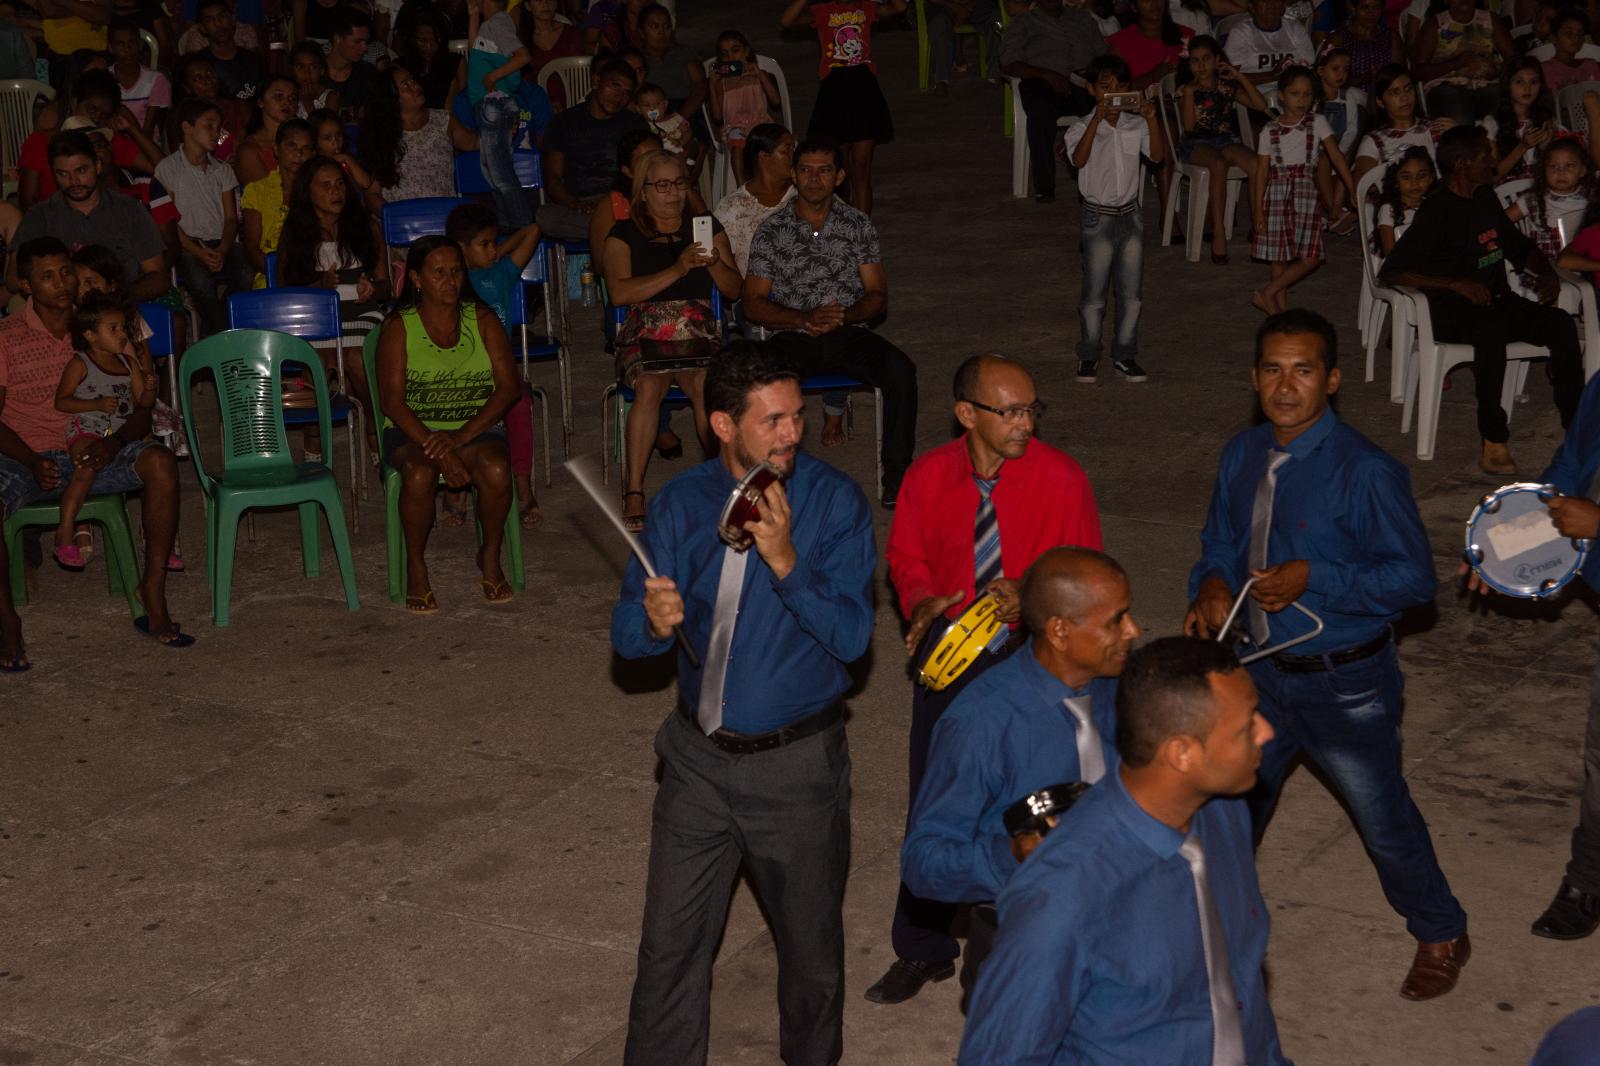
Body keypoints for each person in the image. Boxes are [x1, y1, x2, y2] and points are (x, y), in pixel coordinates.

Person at [1184, 309, 1471, 1001]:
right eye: (1273, 371)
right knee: (1223, 812)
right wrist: (1214, 584)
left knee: (1382, 817)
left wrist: (1318, 576)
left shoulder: (1367, 472)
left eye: (1303, 371)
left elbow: (1413, 582)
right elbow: (1219, 537)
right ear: (1255, 380)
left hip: (1346, 682)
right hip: (1255, 673)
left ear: (1332, 380)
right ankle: (1204, 933)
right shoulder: (1242, 453)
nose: (1287, 387)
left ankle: (1441, 929)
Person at [611, 340, 875, 1066]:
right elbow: (630, 637)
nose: (793, 433)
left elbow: (854, 638)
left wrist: (787, 561)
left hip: (796, 770)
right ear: (723, 426)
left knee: (810, 957)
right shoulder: (682, 502)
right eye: (773, 421)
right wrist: (652, 624)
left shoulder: (832, 503)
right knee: (668, 948)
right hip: (695, 763)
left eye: (796, 415)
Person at [867, 353, 1102, 1005]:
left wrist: (1031, 596)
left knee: (1028, 815)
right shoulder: (927, 476)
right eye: (1012, 411)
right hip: (951, 660)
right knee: (936, 807)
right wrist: (921, 602)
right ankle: (922, 948)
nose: (1027, 423)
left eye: (1033, 409)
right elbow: (905, 554)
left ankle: (1004, 965)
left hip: (1032, 667)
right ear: (967, 414)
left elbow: (1090, 579)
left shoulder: (1062, 479)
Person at [959, 637, 1288, 1064]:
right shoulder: (1061, 898)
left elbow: (1240, 988)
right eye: (1247, 725)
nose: (1268, 732)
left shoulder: (1226, 812)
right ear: (1182, 753)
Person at [900, 547, 1133, 1005]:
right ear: (1060, 630)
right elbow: (923, 862)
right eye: (1116, 621)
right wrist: (1012, 854)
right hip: (1023, 939)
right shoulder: (980, 724)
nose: (1133, 631)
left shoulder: (1115, 685)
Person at [0, 237, 191, 656]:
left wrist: (116, 442)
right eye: (46, 277)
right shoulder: (7, 336)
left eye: (66, 272)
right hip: (25, 456)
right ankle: (6, 620)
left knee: (159, 461)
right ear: (26, 286)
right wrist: (30, 460)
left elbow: (141, 406)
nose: (62, 283)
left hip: (98, 446)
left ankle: (152, 592)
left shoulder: (103, 326)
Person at [1381, 125, 1582, 474]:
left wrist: (1545, 273)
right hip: (1448, 308)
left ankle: (1578, 426)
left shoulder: (1485, 197)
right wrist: (1454, 284)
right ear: (1461, 165)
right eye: (1484, 156)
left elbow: (1518, 247)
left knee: (1561, 324)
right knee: (1490, 329)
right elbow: (1393, 271)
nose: (1492, 161)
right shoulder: (1437, 210)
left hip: (1496, 299)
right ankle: (1493, 439)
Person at [743, 138, 917, 506]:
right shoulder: (772, 230)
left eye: (823, 170)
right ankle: (761, 474)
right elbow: (753, 304)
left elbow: (876, 295)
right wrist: (803, 317)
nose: (813, 179)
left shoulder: (858, 225)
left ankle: (898, 477)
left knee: (901, 370)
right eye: (805, 169)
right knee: (752, 379)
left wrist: (844, 315)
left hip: (848, 332)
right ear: (793, 174)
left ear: (839, 177)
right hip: (793, 335)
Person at [374, 235, 521, 612]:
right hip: (413, 430)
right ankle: (416, 567)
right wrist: (437, 449)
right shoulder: (399, 326)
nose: (450, 280)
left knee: (497, 468)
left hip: (474, 426)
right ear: (417, 279)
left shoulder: (482, 318)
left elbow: (509, 388)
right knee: (420, 476)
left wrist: (459, 438)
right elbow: (391, 401)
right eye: (438, 272)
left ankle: (489, 554)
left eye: (455, 271)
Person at [603, 150, 742, 531]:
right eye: (663, 185)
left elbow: (734, 290)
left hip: (697, 328)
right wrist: (677, 268)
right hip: (645, 331)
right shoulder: (623, 234)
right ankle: (634, 489)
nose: (674, 194)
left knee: (703, 386)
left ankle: (720, 483)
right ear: (643, 192)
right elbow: (618, 293)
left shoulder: (705, 226)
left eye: (680, 183)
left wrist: (715, 264)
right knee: (649, 386)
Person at [445, 202, 546, 527]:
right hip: (461, 370)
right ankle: (455, 488)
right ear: (461, 248)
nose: (491, 250)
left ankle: (523, 487)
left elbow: (533, 231)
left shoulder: (499, 274)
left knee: (519, 405)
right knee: (453, 410)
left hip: (500, 371)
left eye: (493, 242)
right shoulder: (449, 283)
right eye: (483, 244)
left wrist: (497, 251)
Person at [1066, 54, 1164, 384]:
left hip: (1130, 215)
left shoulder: (1135, 125)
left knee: (1132, 295)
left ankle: (1125, 353)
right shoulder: (1081, 126)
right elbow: (1079, 159)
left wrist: (1151, 118)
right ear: (1092, 90)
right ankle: (1089, 354)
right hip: (1098, 217)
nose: (1113, 93)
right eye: (1105, 87)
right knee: (1094, 296)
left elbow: (1159, 155)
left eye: (1120, 87)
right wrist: (1096, 122)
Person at [49, 291, 155, 571]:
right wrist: (94, 403)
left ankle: (158, 542)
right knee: (85, 468)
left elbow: (143, 402)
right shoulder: (80, 362)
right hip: (86, 432)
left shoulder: (127, 363)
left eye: (123, 328)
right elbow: (61, 401)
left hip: (118, 436)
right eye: (113, 328)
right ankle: (65, 532)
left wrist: (150, 387)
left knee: (154, 460)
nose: (122, 335)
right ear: (90, 335)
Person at [8, 130, 168, 305]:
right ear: (53, 174)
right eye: (63, 174)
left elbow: (158, 277)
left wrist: (115, 299)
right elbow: (14, 279)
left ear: (97, 166)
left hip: (121, 306)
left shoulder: (129, 209)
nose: (74, 181)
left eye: (81, 170)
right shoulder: (39, 216)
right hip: (59, 310)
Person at [781, 0, 908, 215]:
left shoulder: (865, 7)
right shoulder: (823, 10)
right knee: (840, 170)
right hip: (834, 91)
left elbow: (899, 7)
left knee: (861, 167)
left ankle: (863, 231)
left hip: (864, 89)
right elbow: (787, 21)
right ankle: (843, 224)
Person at [1251, 65, 1356, 314]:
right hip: (1276, 194)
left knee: (1311, 256)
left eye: (1307, 94)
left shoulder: (1317, 122)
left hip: (1306, 194)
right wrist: (1257, 210)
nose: (1301, 100)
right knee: (1280, 255)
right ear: (1281, 96)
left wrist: (1352, 186)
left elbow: (1336, 155)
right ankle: (1279, 312)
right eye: (1295, 93)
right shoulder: (1269, 131)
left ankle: (1267, 292)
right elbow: (1261, 174)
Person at [156, 96, 251, 339]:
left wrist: (223, 248)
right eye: (208, 125)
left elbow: (231, 219)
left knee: (246, 271)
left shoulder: (223, 169)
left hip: (221, 241)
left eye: (218, 127)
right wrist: (199, 252)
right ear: (187, 128)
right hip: (187, 243)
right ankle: (225, 338)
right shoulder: (167, 168)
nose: (216, 132)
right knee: (201, 284)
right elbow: (169, 221)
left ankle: (215, 334)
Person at [998, 0, 1104, 204]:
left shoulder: (1082, 18)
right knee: (1040, 111)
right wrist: (1046, 74)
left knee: (1099, 111)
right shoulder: (1023, 22)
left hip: (1082, 83)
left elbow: (1102, 55)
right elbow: (1008, 62)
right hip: (1042, 81)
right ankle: (1045, 187)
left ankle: (1092, 186)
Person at [1176, 35, 1268, 264]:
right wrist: (1188, 93)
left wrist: (1239, 76)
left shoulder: (1226, 87)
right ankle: (1218, 230)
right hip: (1196, 143)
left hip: (1224, 139)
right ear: (1189, 64)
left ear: (1217, 59)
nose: (1202, 65)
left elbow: (1260, 105)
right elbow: (1188, 127)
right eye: (1195, 60)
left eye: (1207, 59)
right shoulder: (1187, 89)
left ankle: (1258, 222)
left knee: (1257, 163)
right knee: (1218, 164)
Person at [537, 59, 652, 241]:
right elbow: (553, 180)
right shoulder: (564, 122)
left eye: (626, 93)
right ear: (596, 81)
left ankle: (613, 233)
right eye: (615, 86)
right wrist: (575, 204)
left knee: (645, 211)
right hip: (581, 207)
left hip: (622, 204)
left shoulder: (634, 125)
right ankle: (619, 235)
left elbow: (646, 171)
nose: (619, 96)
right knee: (546, 217)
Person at [17, 68, 159, 210]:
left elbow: (163, 168)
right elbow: (28, 199)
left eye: (104, 116)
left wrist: (131, 129)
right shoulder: (41, 142)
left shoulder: (108, 142)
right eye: (91, 109)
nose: (96, 118)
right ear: (74, 103)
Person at [365, 63, 478, 207]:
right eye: (405, 85)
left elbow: (473, 142)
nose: (415, 85)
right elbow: (372, 193)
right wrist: (392, 220)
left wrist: (501, 134)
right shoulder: (382, 133)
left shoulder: (443, 120)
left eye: (413, 80)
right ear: (392, 97)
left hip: (444, 216)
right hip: (402, 220)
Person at [466, 0, 535, 230]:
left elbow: (523, 56)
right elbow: (473, 51)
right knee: (492, 171)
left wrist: (494, 76)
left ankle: (524, 226)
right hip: (488, 104)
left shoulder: (499, 22)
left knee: (500, 171)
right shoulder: (491, 25)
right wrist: (473, 15)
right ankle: (507, 225)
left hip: (495, 102)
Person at [240, 117, 316, 288]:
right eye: (292, 145)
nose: (298, 154)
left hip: (313, 277)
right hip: (269, 276)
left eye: (306, 148)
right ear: (276, 148)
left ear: (313, 154)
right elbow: (252, 248)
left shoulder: (318, 191)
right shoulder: (256, 191)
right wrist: (281, 276)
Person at [1412, 0, 1513, 125]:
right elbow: (1418, 72)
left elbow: (1514, 59)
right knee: (1458, 115)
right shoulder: (1434, 24)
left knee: (1498, 110)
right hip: (1446, 86)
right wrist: (1455, 63)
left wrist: (1497, 71)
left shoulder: (1491, 20)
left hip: (1488, 83)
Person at [714, 123, 797, 276]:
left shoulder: (802, 196)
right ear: (764, 156)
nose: (794, 156)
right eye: (787, 150)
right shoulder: (734, 206)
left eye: (793, 149)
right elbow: (725, 264)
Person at [708, 31, 782, 186]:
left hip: (761, 122)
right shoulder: (722, 84)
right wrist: (712, 86)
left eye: (735, 50)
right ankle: (742, 186)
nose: (731, 57)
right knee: (737, 143)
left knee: (773, 143)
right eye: (725, 54)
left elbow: (775, 101)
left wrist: (760, 75)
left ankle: (774, 181)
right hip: (736, 127)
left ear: (746, 51)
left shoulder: (758, 75)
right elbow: (716, 116)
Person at [1352, 64, 1446, 183]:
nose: (1404, 97)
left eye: (1408, 89)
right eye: (1395, 92)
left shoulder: (1436, 127)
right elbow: (1361, 186)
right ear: (1380, 102)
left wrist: (1457, 136)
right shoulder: (1374, 141)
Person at [1505, 137, 1590, 260]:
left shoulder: (1591, 198)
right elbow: (1501, 222)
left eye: (1569, 166)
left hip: (1584, 267)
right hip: (1548, 271)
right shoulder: (1532, 200)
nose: (1561, 172)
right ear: (1544, 171)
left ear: (1582, 170)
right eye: (1554, 166)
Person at [1482, 58, 1557, 184]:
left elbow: (1554, 169)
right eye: (1519, 81)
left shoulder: (1545, 119)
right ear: (1507, 85)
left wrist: (1545, 148)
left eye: (1533, 82)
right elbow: (1492, 176)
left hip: (1540, 188)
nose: (1527, 88)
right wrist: (1522, 147)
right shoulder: (1491, 124)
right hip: (1507, 193)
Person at [1320, 0, 1403, 93]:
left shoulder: (1391, 37)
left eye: (1376, 8)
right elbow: (1324, 77)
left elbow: (1400, 75)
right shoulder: (1339, 38)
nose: (1371, 13)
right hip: (1347, 100)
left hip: (1384, 98)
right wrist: (1364, 78)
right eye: (1365, 7)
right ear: (1353, 7)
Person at [1223, 0, 1315, 83]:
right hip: (1255, 94)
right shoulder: (1241, 32)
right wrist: (1272, 75)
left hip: (1293, 93)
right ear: (1252, 7)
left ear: (1283, 6)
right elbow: (1232, 78)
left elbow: (1309, 68)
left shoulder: (1295, 28)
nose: (1271, 4)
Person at [1109, 0, 1193, 89]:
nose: (1154, 2)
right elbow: (1113, 91)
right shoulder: (1121, 43)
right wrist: (1153, 76)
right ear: (1134, 7)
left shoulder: (1185, 36)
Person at [107, 18, 170, 136]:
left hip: (145, 142)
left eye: (131, 42)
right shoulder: (103, 78)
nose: (127, 49)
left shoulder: (155, 79)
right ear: (111, 48)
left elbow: (149, 129)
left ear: (140, 44)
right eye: (120, 44)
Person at [926, 0, 1001, 95]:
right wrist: (954, 5)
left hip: (977, 4)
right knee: (938, 22)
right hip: (943, 5)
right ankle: (941, 80)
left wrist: (969, 6)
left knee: (995, 17)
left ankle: (995, 75)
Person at [233, 73, 296, 185]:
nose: (287, 102)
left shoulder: (301, 142)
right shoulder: (249, 150)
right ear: (261, 102)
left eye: (292, 98)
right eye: (279, 96)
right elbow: (266, 198)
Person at [196, 0, 264, 103]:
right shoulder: (199, 65)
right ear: (202, 28)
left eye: (222, 16)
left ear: (233, 20)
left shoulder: (254, 61)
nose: (218, 24)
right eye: (210, 20)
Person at [1371, 144, 1434, 256]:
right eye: (1406, 177)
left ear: (1431, 178)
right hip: (1399, 265)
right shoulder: (1389, 209)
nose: (1415, 183)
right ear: (1395, 181)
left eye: (1422, 176)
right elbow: (1390, 253)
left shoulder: (1433, 204)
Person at [397, 7, 462, 108]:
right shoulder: (401, 66)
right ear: (412, 38)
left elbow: (464, 103)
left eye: (434, 40)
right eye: (422, 40)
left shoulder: (456, 63)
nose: (428, 47)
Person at [527, 0, 586, 109]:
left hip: (571, 103)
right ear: (528, 5)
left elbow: (580, 77)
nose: (545, 3)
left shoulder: (570, 33)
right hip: (536, 106)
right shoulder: (522, 38)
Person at [326, 10, 380, 120]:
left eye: (366, 42)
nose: (364, 48)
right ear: (337, 39)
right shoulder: (314, 73)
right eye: (357, 41)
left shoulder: (368, 74)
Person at [1543, 9, 1600, 97]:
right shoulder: (1546, 69)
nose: (1576, 38)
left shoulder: (1590, 65)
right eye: (1569, 33)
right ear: (1553, 38)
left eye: (1580, 33)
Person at [289, 40, 340, 117]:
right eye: (300, 67)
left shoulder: (331, 97)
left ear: (322, 70)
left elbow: (324, 127)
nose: (307, 73)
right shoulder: (290, 95)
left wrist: (307, 101)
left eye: (313, 67)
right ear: (292, 70)